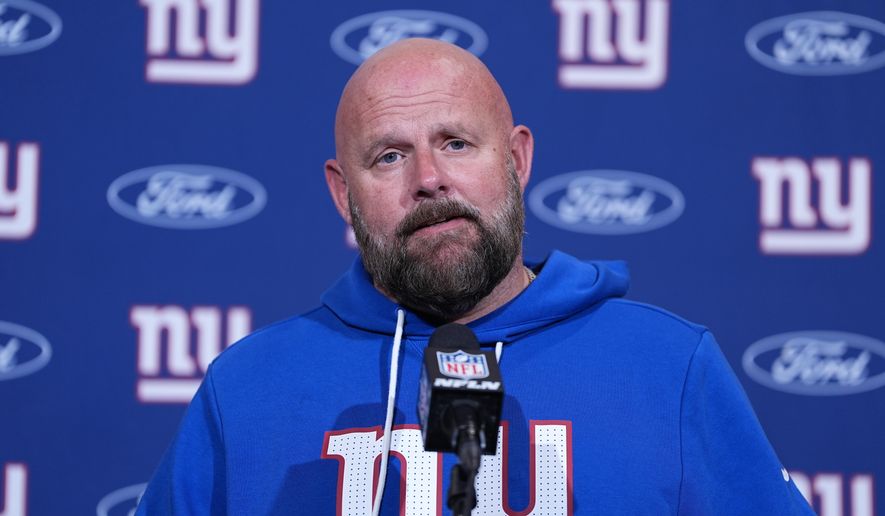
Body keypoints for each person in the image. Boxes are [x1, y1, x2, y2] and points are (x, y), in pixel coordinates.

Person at [136, 38, 814, 515]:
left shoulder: (668, 368)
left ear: (516, 159)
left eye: (455, 143)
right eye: (389, 156)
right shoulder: (250, 387)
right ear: (343, 194)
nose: (429, 179)